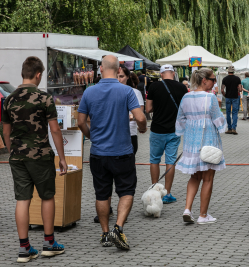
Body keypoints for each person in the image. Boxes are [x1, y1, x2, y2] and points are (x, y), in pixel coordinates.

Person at [78, 55, 147, 250]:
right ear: (118, 71)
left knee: (102, 194)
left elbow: (81, 122)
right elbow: (140, 117)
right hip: (122, 152)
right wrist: (142, 128)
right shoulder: (126, 91)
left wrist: (91, 137)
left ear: (101, 69)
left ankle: (105, 233)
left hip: (98, 153)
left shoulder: (89, 92)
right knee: (126, 191)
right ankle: (118, 228)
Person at [2, 56, 67, 262]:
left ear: (24, 73)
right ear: (38, 74)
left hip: (17, 157)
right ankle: (49, 244)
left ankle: (24, 249)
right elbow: (55, 130)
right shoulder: (44, 98)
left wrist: (13, 150)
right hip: (40, 155)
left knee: (22, 199)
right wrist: (62, 158)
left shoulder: (9, 99)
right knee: (47, 196)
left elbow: (5, 131)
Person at [175, 68, 227, 224]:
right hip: (208, 141)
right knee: (208, 178)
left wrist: (191, 127)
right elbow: (219, 122)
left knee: (194, 176)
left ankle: (187, 209)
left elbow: (180, 119)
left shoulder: (186, 96)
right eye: (212, 80)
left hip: (191, 142)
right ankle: (203, 215)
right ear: (204, 80)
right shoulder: (210, 98)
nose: (214, 82)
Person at [146, 64, 188, 204]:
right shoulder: (182, 87)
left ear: (161, 74)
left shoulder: (154, 87)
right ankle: (168, 193)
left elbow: (148, 109)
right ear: (173, 73)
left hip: (157, 129)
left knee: (154, 160)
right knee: (170, 161)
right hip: (174, 130)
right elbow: (185, 109)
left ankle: (154, 191)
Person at [221, 66, 242, 135]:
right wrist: (238, 89)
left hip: (228, 97)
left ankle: (229, 128)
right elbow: (240, 89)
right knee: (235, 113)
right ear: (234, 71)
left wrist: (225, 95)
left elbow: (222, 90)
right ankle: (234, 128)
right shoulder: (237, 79)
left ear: (228, 71)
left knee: (228, 112)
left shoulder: (225, 79)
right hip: (235, 97)